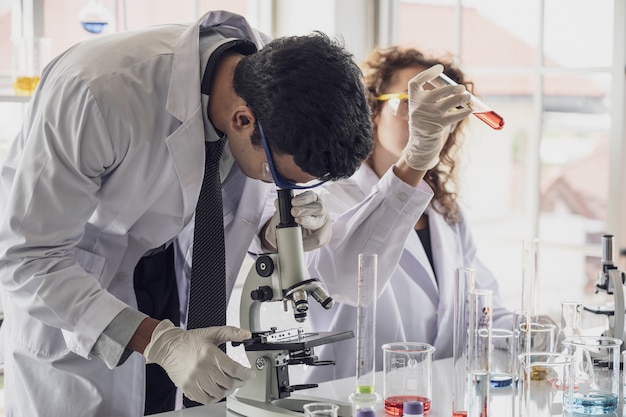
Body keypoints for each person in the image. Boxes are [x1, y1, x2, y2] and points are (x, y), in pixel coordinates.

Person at [0, 10, 373, 417]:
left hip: (177, 289)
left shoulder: (281, 81)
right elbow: (26, 256)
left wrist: (275, 231)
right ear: (243, 119)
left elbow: (222, 204)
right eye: (277, 176)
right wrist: (160, 342)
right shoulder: (97, 90)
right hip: (78, 295)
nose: (278, 188)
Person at [265, 46, 515, 384]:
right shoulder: (325, 200)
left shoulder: (447, 214)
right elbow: (351, 279)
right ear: (373, 110)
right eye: (410, 100)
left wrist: (532, 331)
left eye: (439, 105)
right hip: (346, 397)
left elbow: (482, 315)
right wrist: (414, 160)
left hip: (431, 397)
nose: (425, 116)